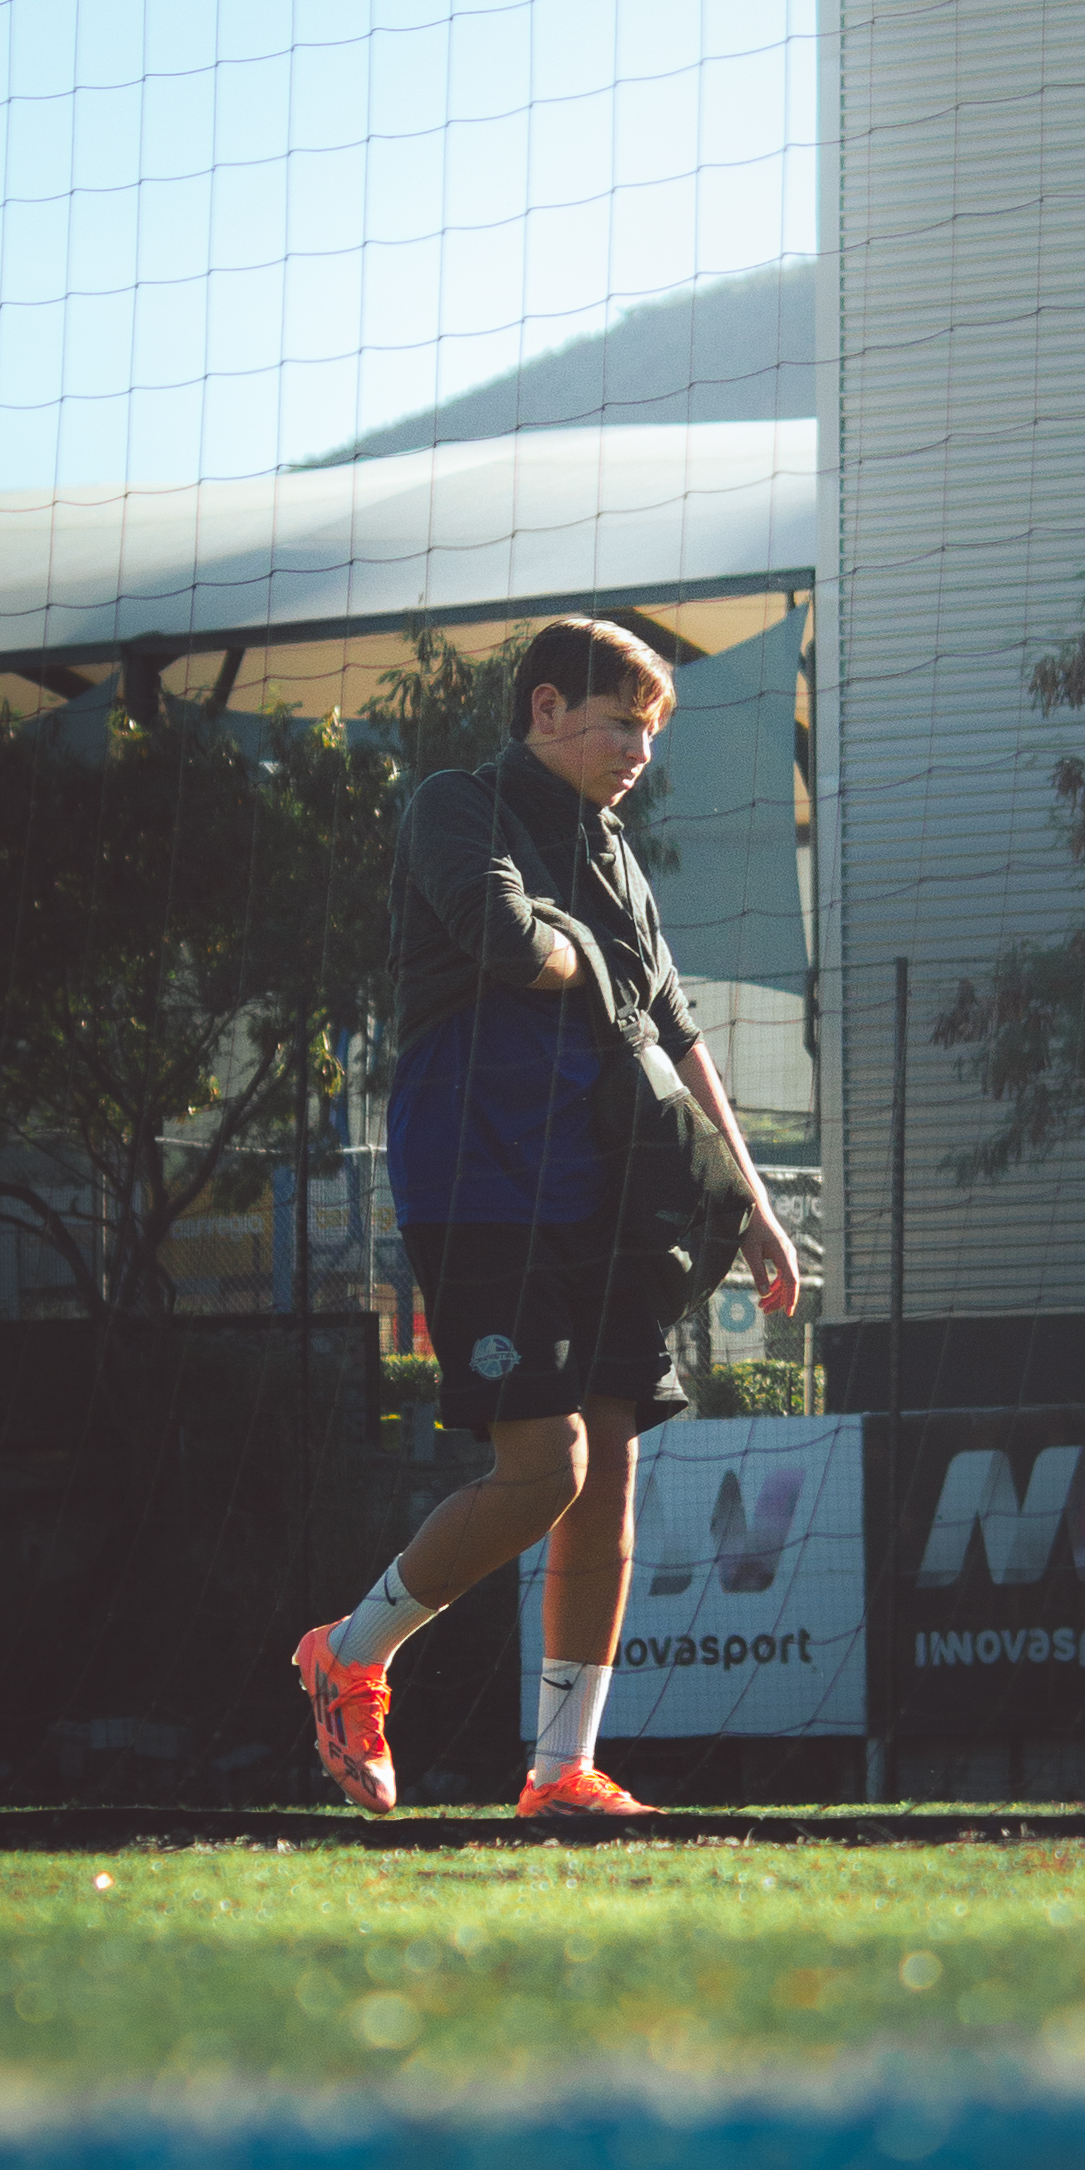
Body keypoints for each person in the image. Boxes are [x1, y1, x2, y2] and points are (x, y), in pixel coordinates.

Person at [295, 613, 803, 1820]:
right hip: (482, 1176)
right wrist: (581, 951)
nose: (640, 747)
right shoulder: (453, 806)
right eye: (623, 720)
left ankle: (560, 1771)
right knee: (545, 1469)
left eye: (652, 728)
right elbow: (504, 941)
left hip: (610, 1188)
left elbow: (676, 1033)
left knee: (611, 1469)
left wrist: (757, 1204)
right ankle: (349, 1654)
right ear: (545, 711)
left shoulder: (620, 850)